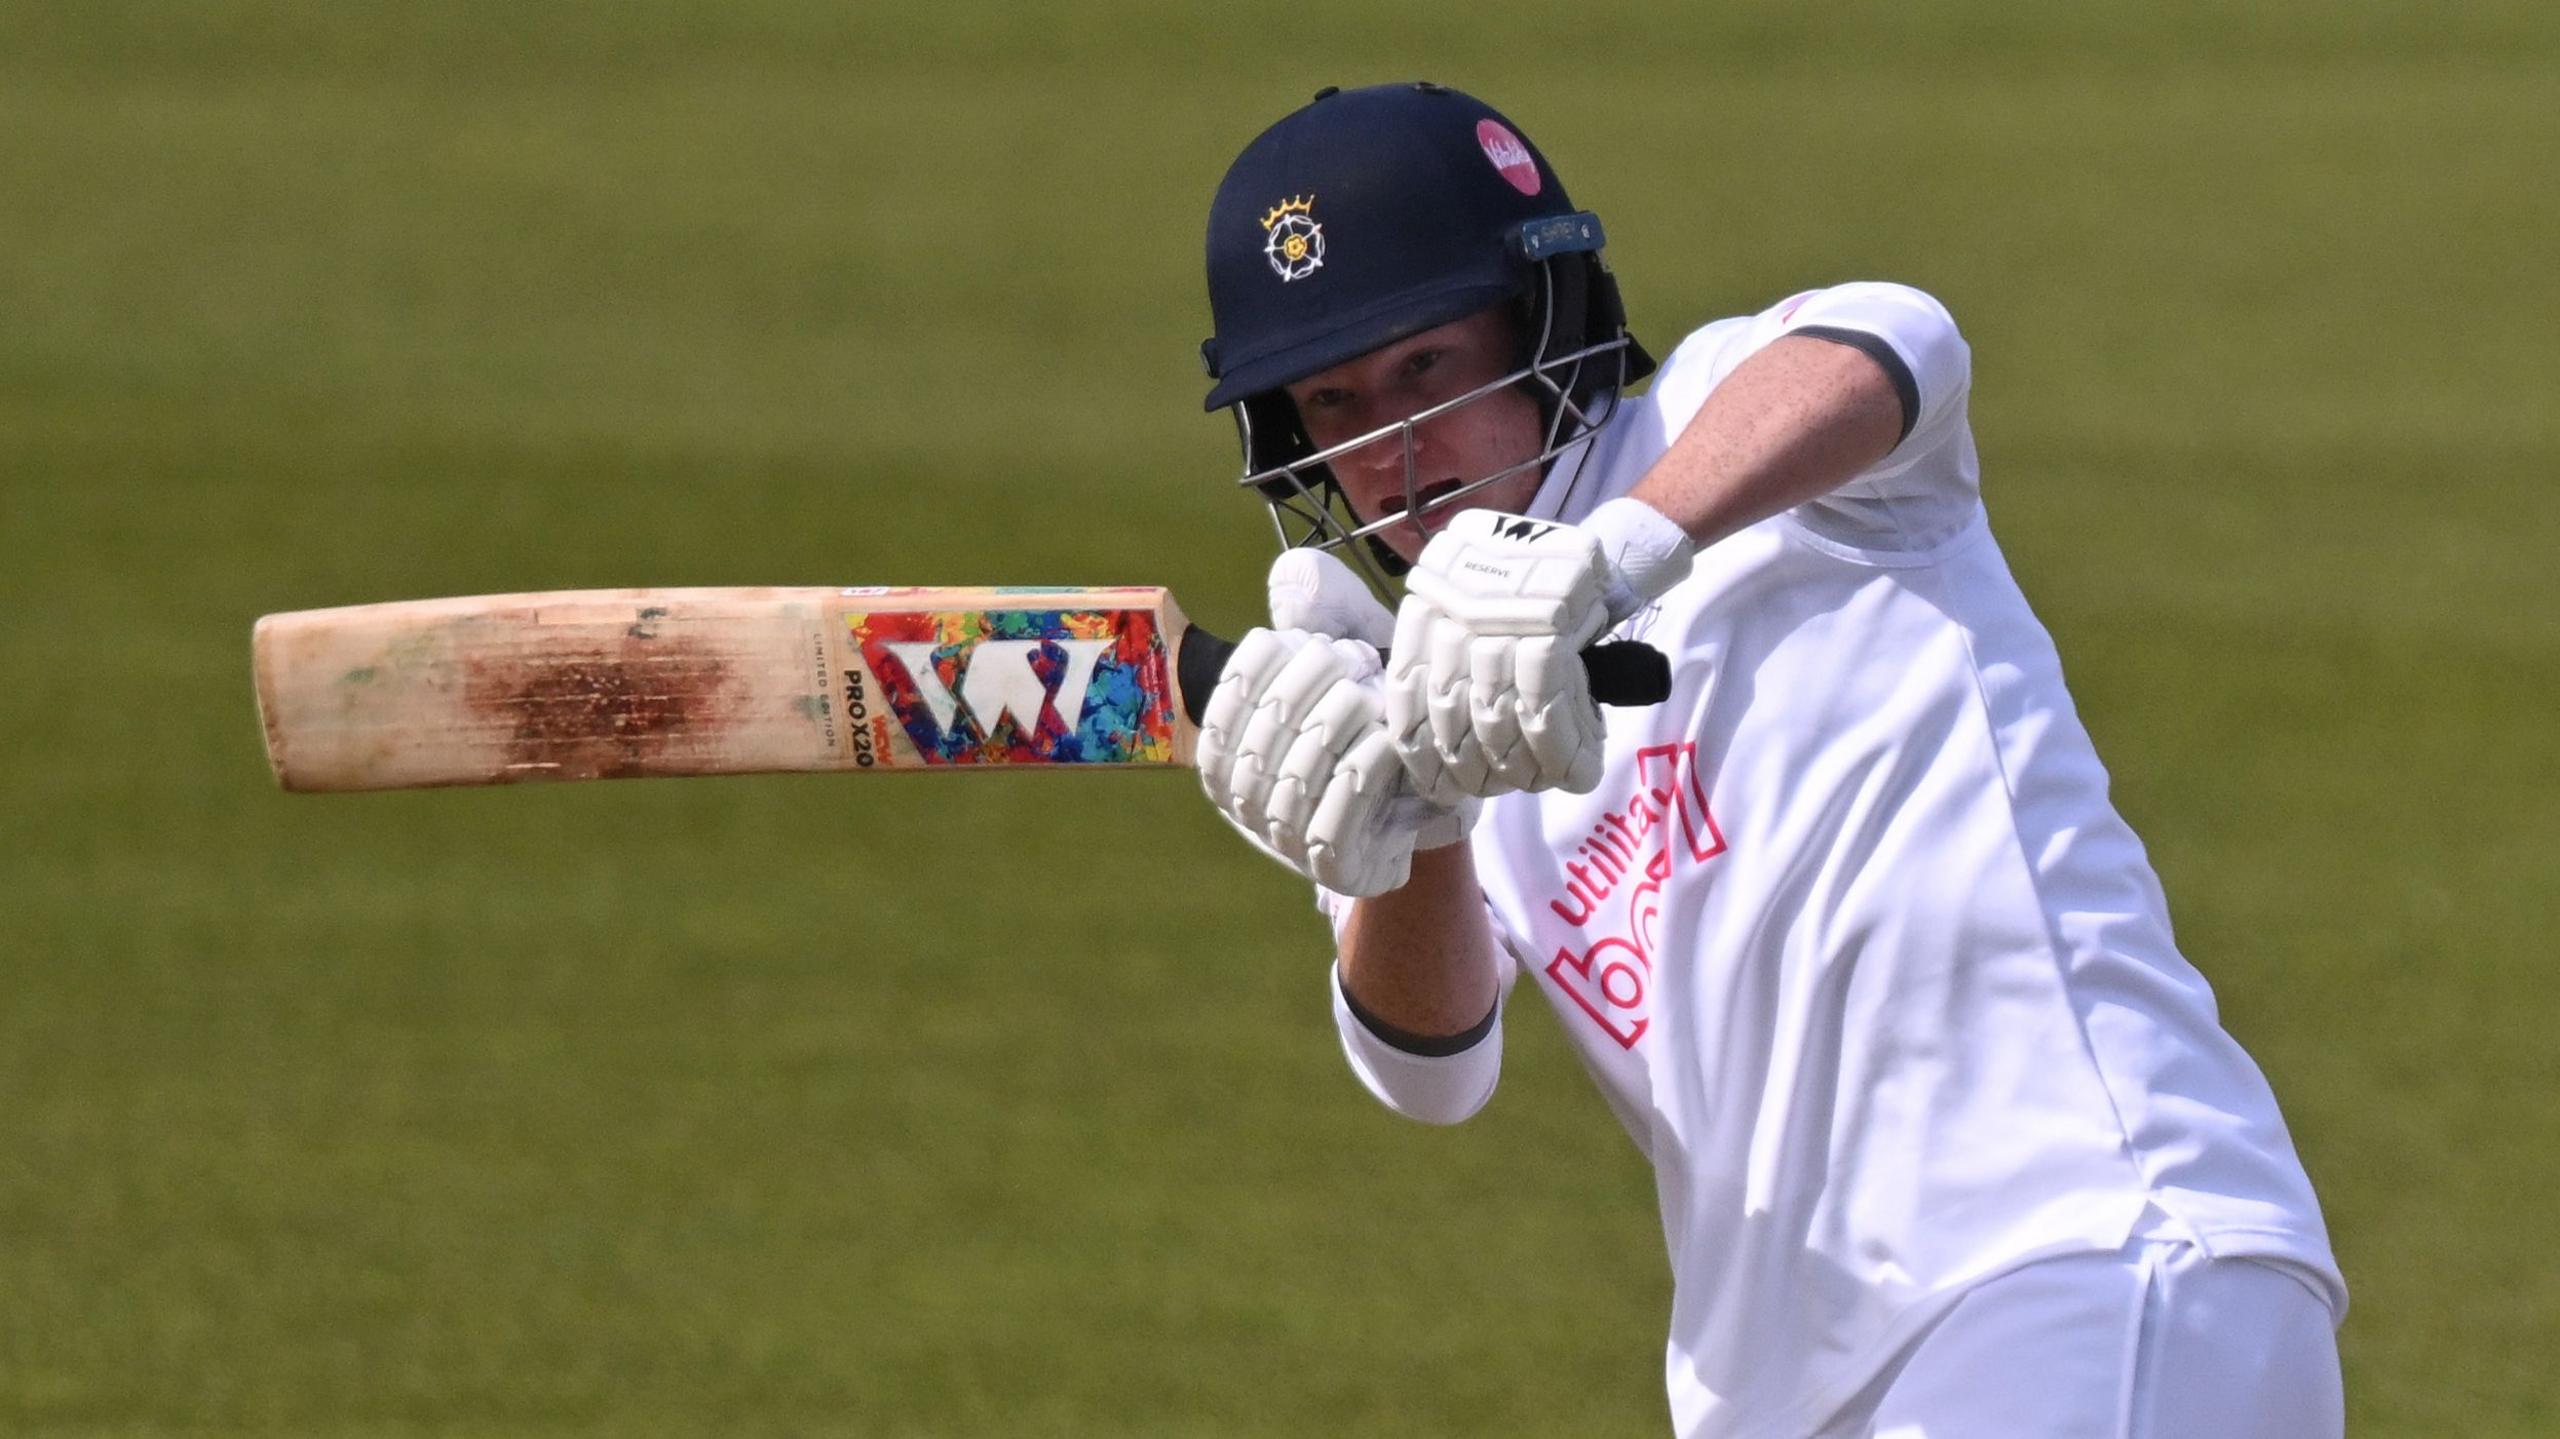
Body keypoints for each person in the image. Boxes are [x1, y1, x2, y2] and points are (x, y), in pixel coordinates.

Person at [1190, 82, 2347, 1438]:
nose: (1392, 451)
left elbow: (1895, 346)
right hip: (1798, 1391)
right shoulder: (1427, 698)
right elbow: (1431, 1069)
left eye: (1427, 370)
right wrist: (1416, 827)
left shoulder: (1714, 424)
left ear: (1541, 322)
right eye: (1336, 399)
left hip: (2080, 1256)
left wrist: (1607, 560)